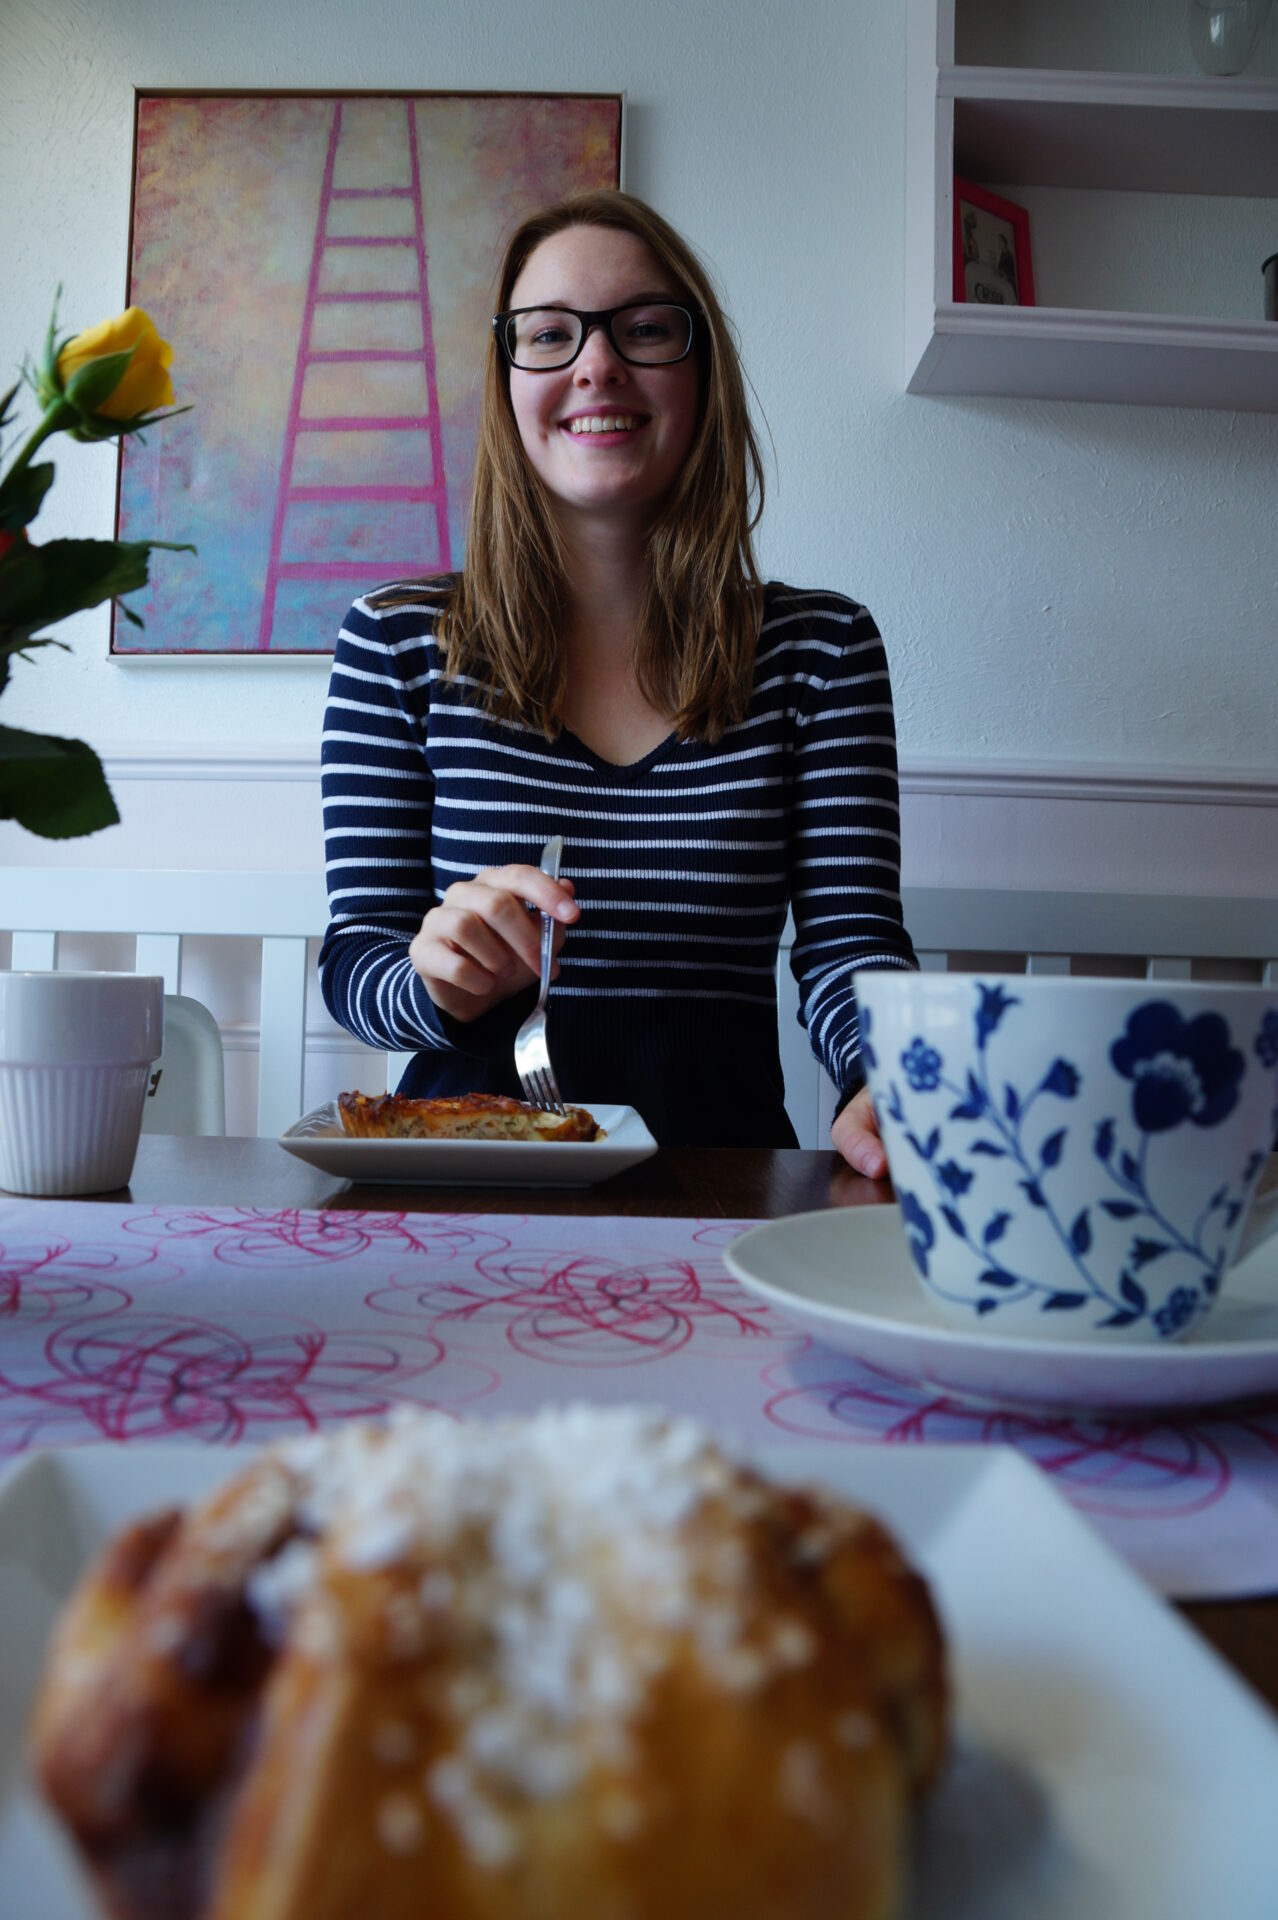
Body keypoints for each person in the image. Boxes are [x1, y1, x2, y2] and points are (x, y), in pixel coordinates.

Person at [318, 189, 917, 1174]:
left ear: (701, 372)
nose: (597, 363)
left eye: (643, 329)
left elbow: (851, 943)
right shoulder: (396, 643)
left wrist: (882, 1080)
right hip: (456, 1186)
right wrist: (436, 980)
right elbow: (357, 962)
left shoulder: (822, 650)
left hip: (721, 1191)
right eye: (549, 335)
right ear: (507, 375)